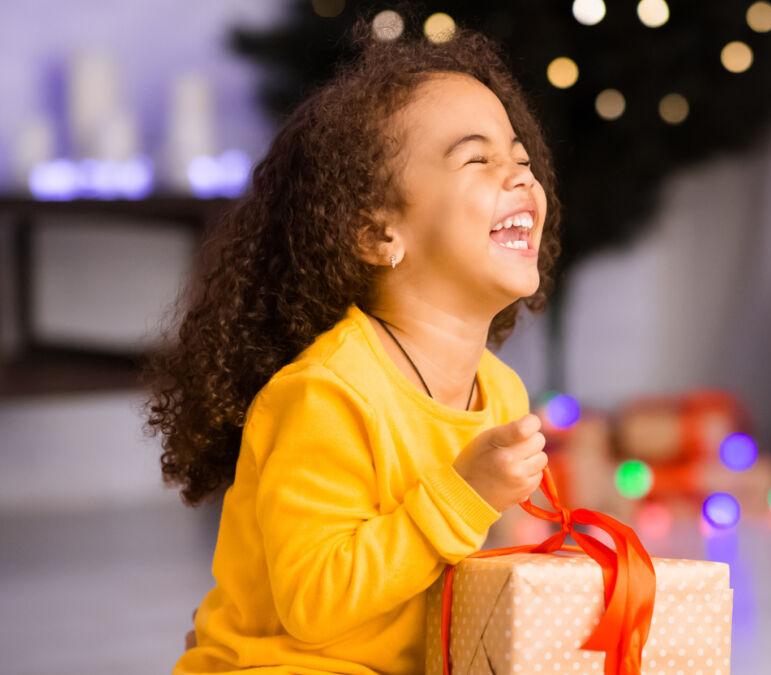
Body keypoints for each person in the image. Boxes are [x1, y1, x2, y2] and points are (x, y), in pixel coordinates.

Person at [142, 17, 562, 674]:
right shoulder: (326, 395)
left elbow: (499, 574)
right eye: (478, 158)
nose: (519, 176)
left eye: (522, 158)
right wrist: (464, 493)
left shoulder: (500, 392)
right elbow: (313, 602)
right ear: (377, 234)